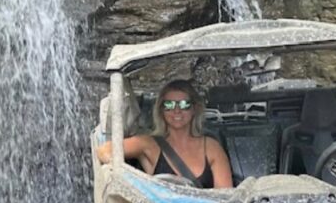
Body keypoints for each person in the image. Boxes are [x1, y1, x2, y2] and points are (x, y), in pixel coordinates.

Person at [96, 79, 233, 188]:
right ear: (161, 110)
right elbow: (104, 151)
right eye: (169, 105)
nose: (177, 110)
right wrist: (133, 180)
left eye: (184, 104)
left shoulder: (211, 147)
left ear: (194, 109)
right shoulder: (149, 144)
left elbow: (226, 199)